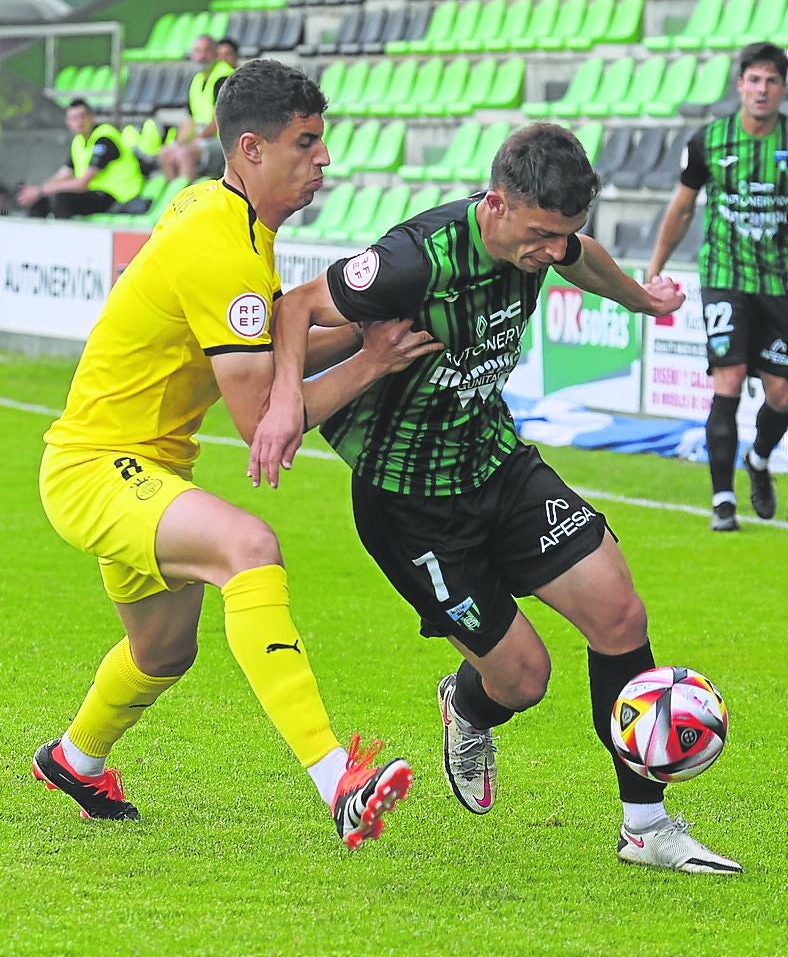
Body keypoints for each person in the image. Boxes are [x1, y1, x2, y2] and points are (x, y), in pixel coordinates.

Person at [252, 123, 743, 875]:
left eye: (565, 233)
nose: (553, 251)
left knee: (620, 612)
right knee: (524, 679)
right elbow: (293, 310)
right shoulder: (410, 261)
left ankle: (645, 826)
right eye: (542, 235)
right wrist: (287, 399)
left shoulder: (545, 237)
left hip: (496, 462)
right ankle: (470, 705)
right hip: (410, 503)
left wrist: (644, 301)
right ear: (498, 202)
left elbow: (582, 259)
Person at [33, 60, 441, 850]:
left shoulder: (220, 214)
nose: (323, 159)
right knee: (250, 547)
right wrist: (371, 360)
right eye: (305, 143)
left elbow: (262, 351)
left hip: (141, 465)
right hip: (97, 467)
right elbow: (263, 419)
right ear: (250, 149)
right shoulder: (221, 248)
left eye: (323, 141)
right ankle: (339, 781)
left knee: (162, 648)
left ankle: (75, 758)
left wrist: (360, 331)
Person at [647, 42, 787, 532]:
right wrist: (656, 265)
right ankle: (723, 501)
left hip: (781, 284)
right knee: (727, 379)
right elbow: (682, 208)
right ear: (740, 85)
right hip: (725, 276)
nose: (762, 89)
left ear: (782, 88)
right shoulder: (710, 140)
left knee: (782, 395)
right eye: (754, 80)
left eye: (771, 81)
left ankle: (761, 460)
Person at [16, 98, 143, 218]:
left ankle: (65, 238)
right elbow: (64, 173)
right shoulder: (78, 142)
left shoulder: (104, 139)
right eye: (74, 118)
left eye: (83, 116)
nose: (79, 122)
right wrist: (37, 190)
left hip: (117, 196)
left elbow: (82, 183)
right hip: (94, 194)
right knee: (41, 199)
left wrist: (40, 190)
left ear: (92, 117)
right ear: (68, 122)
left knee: (62, 198)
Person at [159, 34, 235, 183]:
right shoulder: (197, 79)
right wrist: (180, 141)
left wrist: (193, 140)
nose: (201, 56)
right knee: (166, 153)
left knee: (185, 154)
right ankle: (174, 198)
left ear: (215, 52)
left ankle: (189, 200)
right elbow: (190, 119)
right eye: (197, 51)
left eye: (205, 51)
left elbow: (218, 120)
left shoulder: (224, 77)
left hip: (222, 140)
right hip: (201, 137)